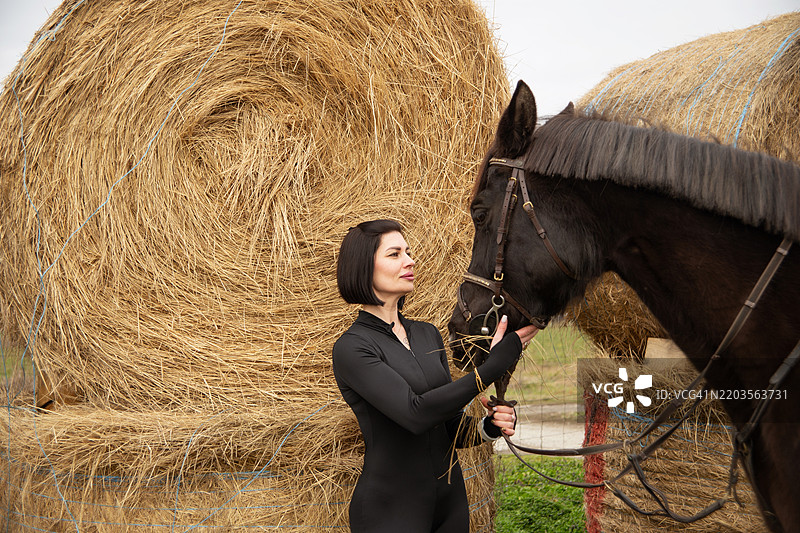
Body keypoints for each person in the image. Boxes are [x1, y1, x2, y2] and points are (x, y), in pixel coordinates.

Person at [332, 219, 538, 532]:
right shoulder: (353, 348)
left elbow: (448, 425)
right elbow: (415, 414)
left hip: (451, 505)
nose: (410, 260)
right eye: (395, 254)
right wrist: (494, 365)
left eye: (409, 252)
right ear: (364, 267)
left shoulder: (427, 334)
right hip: (390, 511)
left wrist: (489, 426)